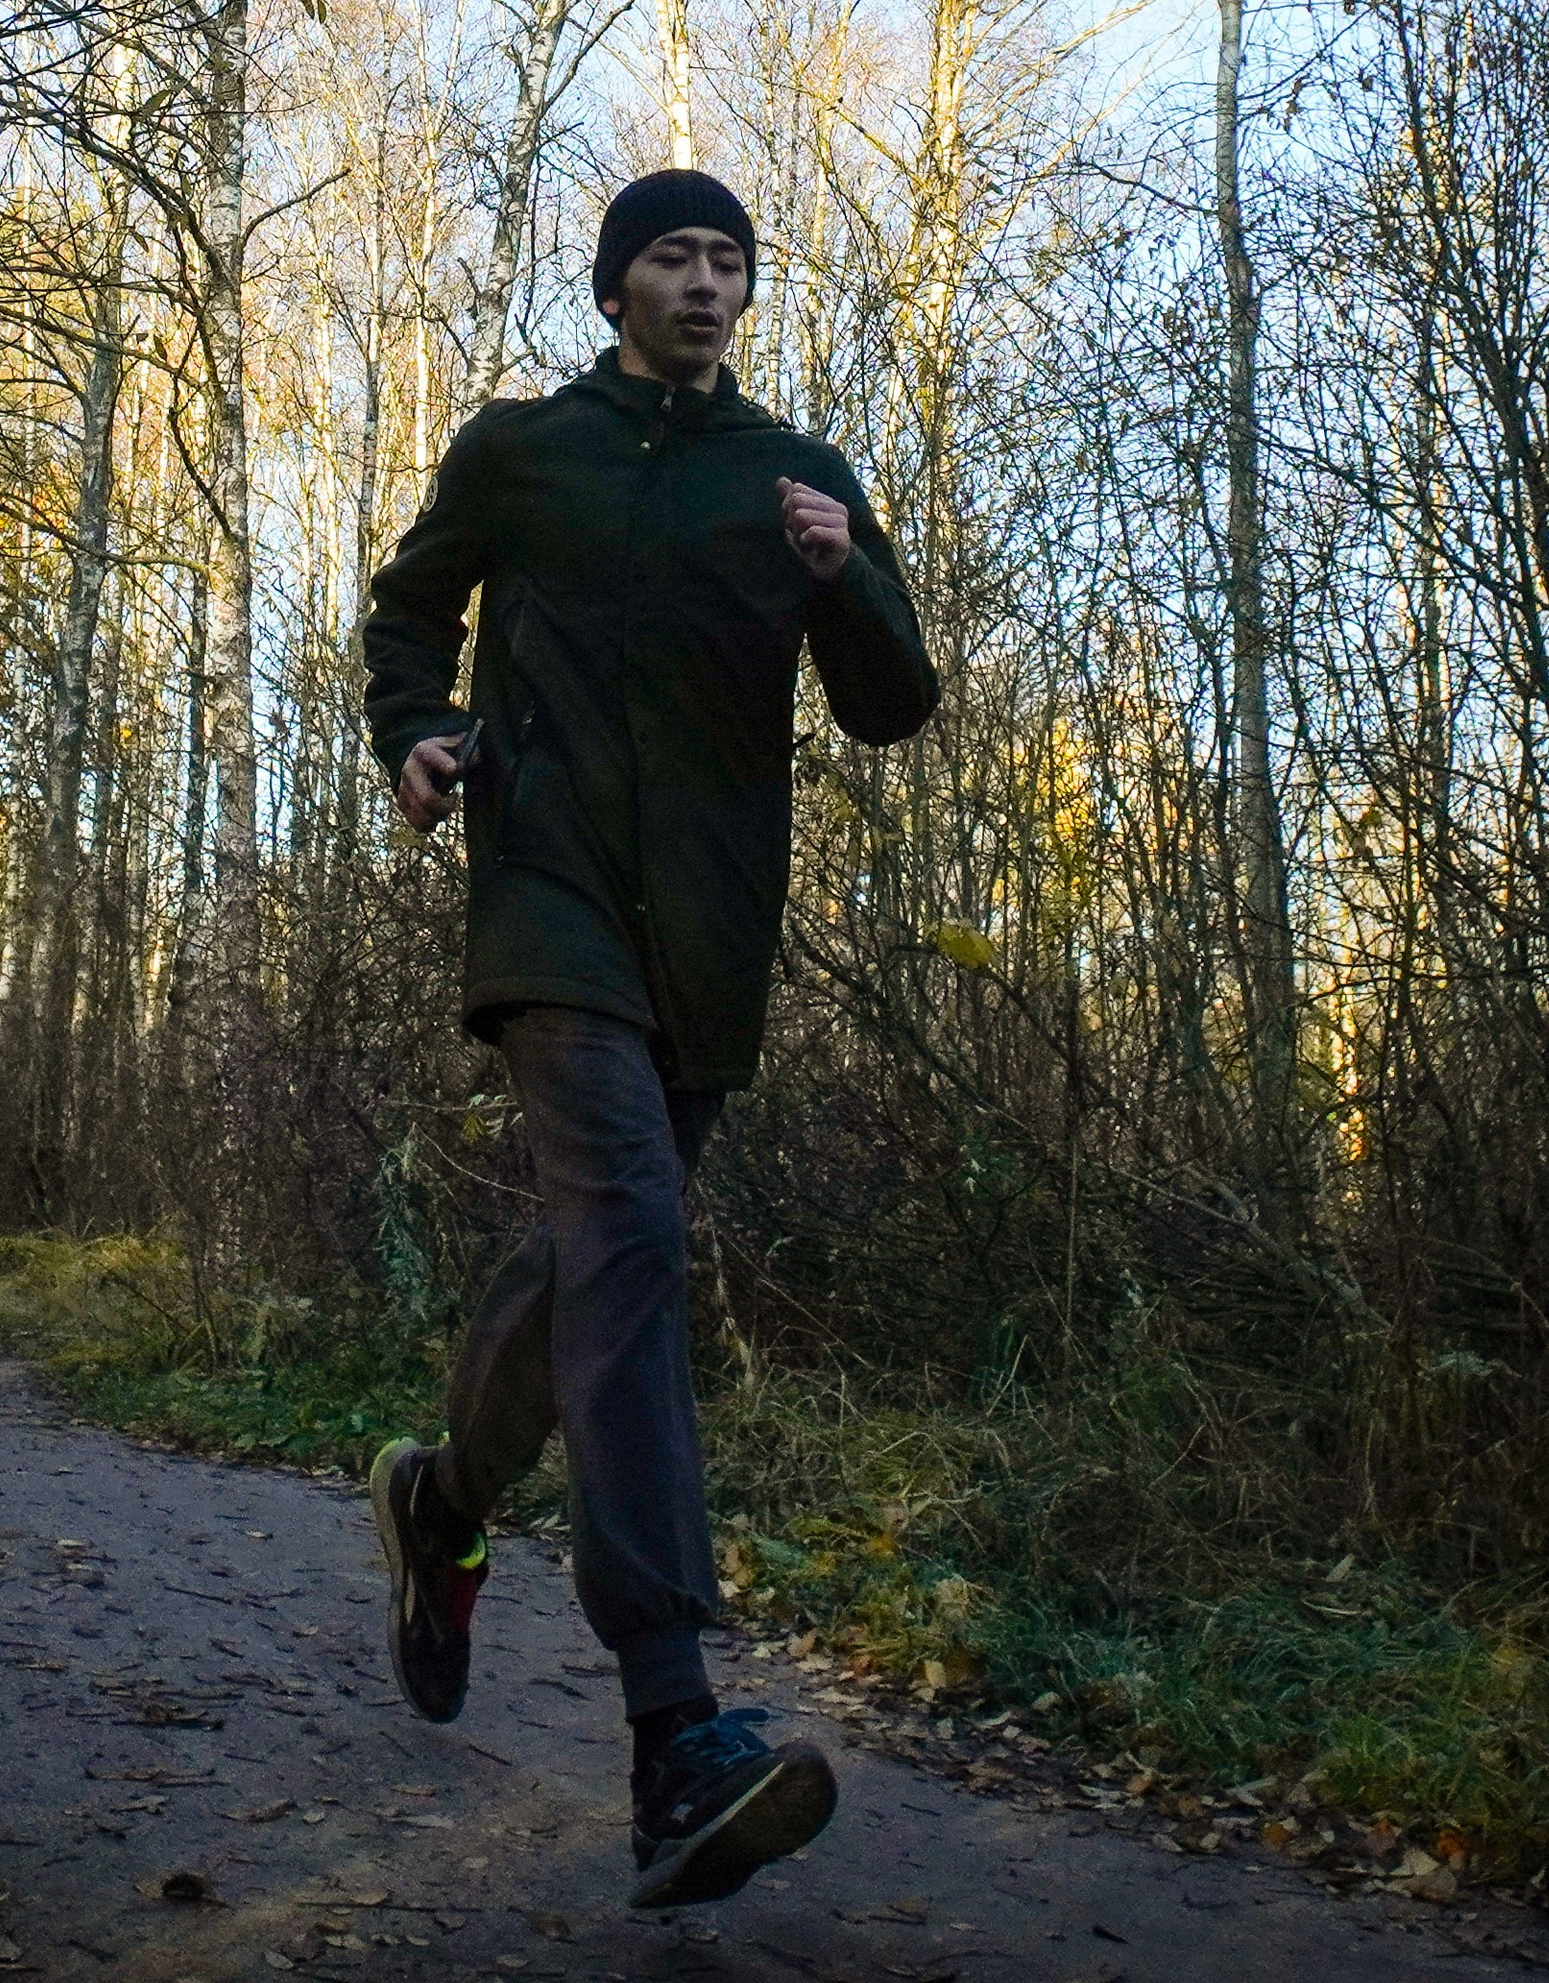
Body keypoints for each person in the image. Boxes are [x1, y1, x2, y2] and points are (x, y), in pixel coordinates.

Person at [362, 169, 935, 1915]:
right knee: (631, 1242)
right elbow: (412, 608)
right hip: (547, 902)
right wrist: (424, 728)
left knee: (595, 1253)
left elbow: (895, 702)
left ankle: (444, 1497)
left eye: (730, 261)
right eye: (675, 257)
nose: (706, 281)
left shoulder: (799, 480)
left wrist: (843, 584)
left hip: (708, 938)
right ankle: (675, 1729)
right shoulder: (519, 447)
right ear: (618, 286)